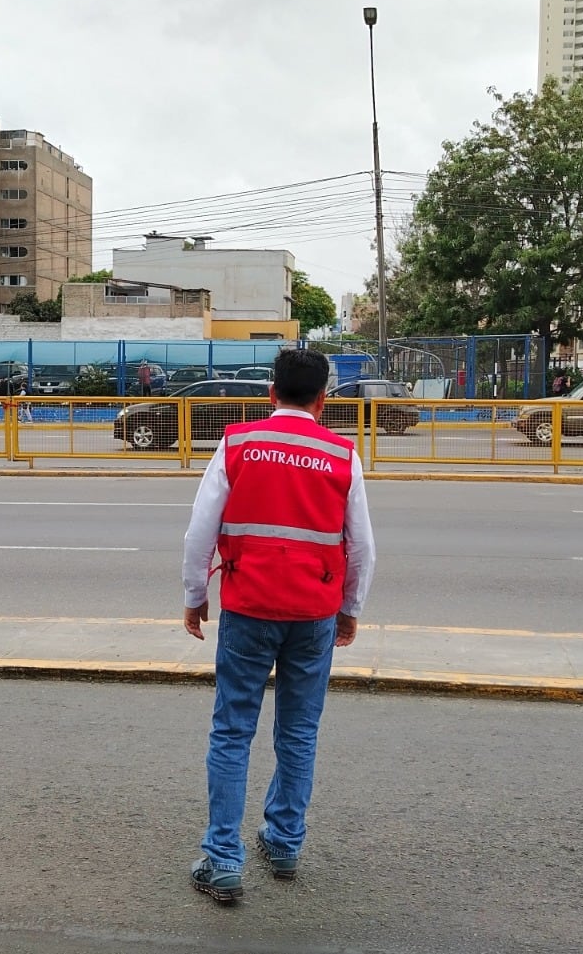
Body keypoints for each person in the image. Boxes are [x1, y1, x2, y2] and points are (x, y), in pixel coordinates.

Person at [181, 347, 375, 905]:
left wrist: (196, 598)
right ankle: (285, 843)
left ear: (271, 394)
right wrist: (350, 608)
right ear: (322, 400)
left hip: (248, 608)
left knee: (232, 731)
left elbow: (199, 531)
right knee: (298, 731)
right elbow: (361, 545)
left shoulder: (238, 443)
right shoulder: (341, 454)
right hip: (313, 614)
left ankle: (222, 860)